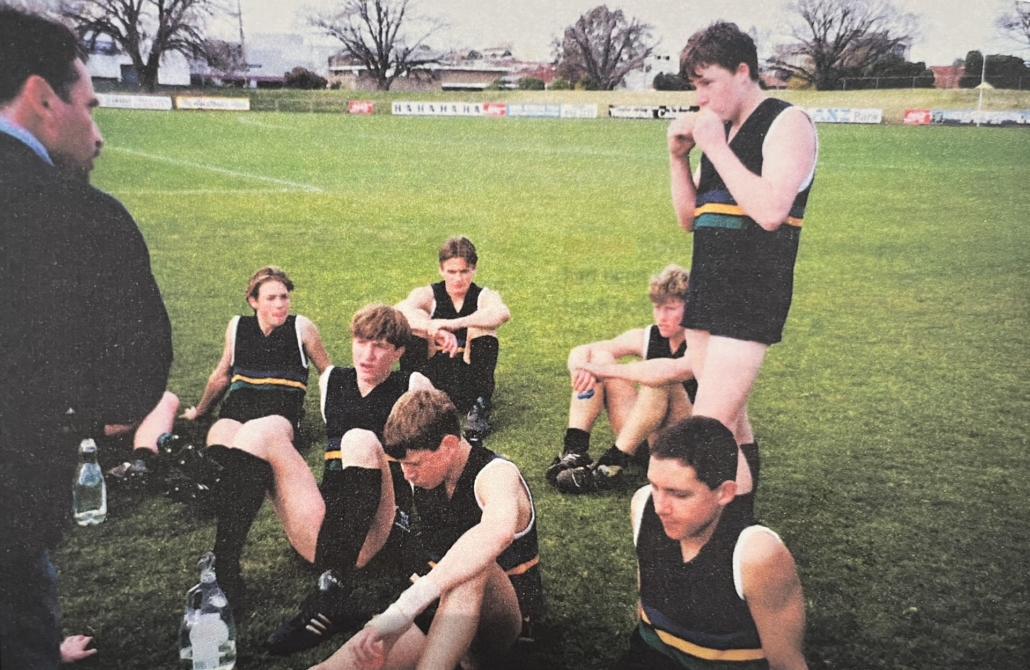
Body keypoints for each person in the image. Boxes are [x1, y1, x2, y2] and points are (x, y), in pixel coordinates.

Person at [578, 21, 816, 500]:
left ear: (743, 70)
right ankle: (739, 523)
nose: (701, 96)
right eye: (695, 85)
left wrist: (715, 146)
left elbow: (771, 212)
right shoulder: (720, 132)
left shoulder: (788, 122)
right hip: (708, 292)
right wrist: (677, 159)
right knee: (731, 428)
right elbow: (690, 219)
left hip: (751, 295)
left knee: (705, 430)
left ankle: (712, 543)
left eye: (708, 82)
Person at [1, 8, 173, 669]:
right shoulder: (77, 216)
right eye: (89, 106)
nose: (97, 134)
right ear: (43, 97)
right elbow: (132, 388)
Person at [311, 388, 543, 670]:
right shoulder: (425, 474)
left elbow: (497, 532)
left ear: (448, 446)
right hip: (442, 610)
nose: (407, 474)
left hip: (503, 623)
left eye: (414, 464)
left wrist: (404, 608)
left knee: (474, 566)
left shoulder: (496, 475)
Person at [261, 304, 435, 654]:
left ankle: (333, 591)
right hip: (328, 530)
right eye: (361, 341)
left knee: (358, 439)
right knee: (262, 433)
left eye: (381, 346)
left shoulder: (412, 386)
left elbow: (435, 463)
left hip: (381, 529)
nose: (367, 354)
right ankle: (223, 574)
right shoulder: (331, 381)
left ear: (399, 352)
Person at [173, 266, 330, 599]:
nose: (280, 305)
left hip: (280, 415)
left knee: (250, 443)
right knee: (222, 435)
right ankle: (208, 482)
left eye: (284, 297)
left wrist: (337, 417)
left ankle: (206, 483)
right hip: (237, 409)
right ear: (253, 301)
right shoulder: (238, 327)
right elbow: (220, 375)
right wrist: (200, 411)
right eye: (271, 298)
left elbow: (327, 374)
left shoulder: (302, 328)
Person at [616, 416, 806, 670]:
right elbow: (649, 594)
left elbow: (787, 663)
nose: (660, 507)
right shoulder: (643, 505)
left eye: (679, 494)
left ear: (725, 493)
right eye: (655, 486)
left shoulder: (755, 554)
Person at [547, 265, 697, 493]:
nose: (661, 317)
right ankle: (575, 450)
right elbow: (582, 351)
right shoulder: (651, 335)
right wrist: (582, 369)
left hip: (685, 446)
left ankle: (610, 467)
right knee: (600, 356)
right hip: (645, 440)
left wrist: (601, 371)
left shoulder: (702, 340)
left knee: (659, 379)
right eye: (657, 308)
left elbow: (664, 372)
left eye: (670, 308)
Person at [396, 236, 511, 442]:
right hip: (431, 382)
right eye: (451, 272)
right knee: (415, 327)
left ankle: (479, 406)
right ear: (441, 269)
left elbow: (502, 313)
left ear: (474, 269)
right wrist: (433, 328)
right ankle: (412, 401)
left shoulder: (483, 296)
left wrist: (454, 324)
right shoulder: (428, 294)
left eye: (464, 271)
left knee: (483, 329)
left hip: (467, 383)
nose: (458, 279)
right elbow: (399, 311)